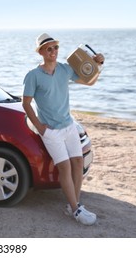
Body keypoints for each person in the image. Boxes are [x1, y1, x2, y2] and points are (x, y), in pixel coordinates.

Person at [22, 33, 105, 226]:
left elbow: (89, 81)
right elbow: (26, 103)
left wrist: (98, 66)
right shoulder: (33, 75)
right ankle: (76, 209)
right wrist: (41, 127)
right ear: (41, 52)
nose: (53, 51)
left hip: (69, 126)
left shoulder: (65, 70)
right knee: (65, 167)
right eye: (49, 48)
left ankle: (73, 205)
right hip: (51, 132)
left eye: (55, 48)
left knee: (77, 163)